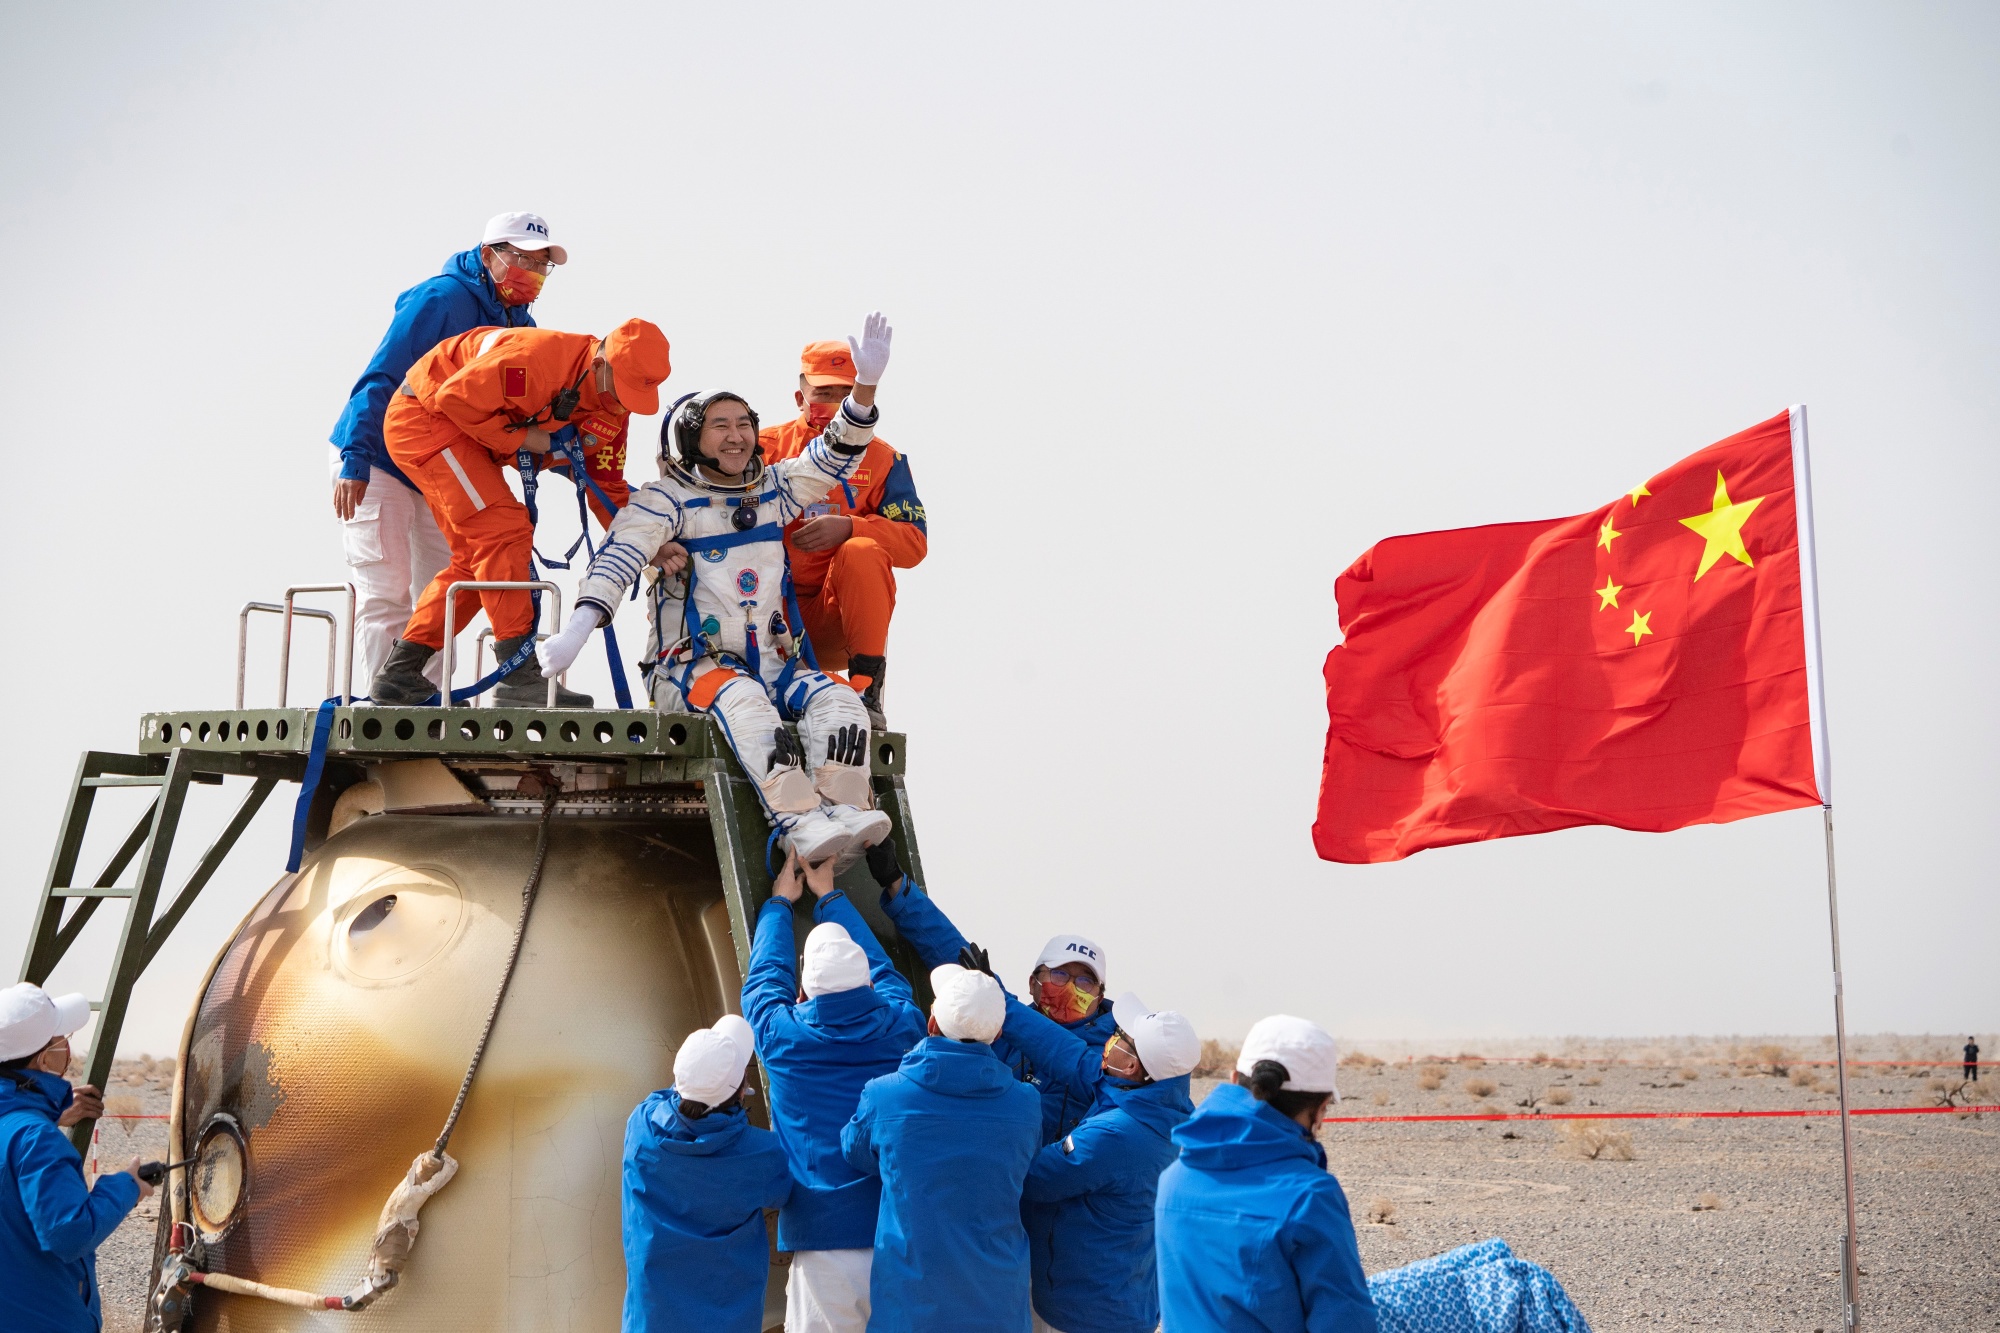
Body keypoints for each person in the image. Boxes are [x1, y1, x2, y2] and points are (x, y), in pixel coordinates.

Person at [538, 314, 896, 866]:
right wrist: (576, 634)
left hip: (776, 665)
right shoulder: (664, 501)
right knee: (749, 709)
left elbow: (834, 455)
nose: (737, 437)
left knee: (841, 702)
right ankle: (800, 822)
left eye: (743, 424)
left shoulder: (774, 487)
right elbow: (618, 561)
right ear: (689, 437)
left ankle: (844, 809)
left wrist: (866, 388)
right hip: (692, 671)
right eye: (720, 426)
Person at [366, 318, 672, 708]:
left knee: (477, 560)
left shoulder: (615, 406)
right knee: (503, 530)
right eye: (620, 392)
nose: (619, 406)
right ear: (599, 365)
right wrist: (523, 438)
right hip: (426, 418)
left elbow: (605, 485)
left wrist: (650, 545)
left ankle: (400, 674)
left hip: (465, 430)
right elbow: (453, 400)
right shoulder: (534, 361)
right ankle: (517, 672)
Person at [330, 212, 565, 691]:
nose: (533, 273)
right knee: (386, 592)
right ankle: (381, 710)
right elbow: (382, 375)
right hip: (378, 461)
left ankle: (428, 709)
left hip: (441, 469)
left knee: (451, 585)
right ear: (488, 255)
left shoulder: (521, 323)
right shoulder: (441, 299)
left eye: (542, 265)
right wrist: (355, 457)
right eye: (522, 259)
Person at [740, 851, 927, 1333]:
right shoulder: (903, 1025)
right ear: (865, 980)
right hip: (897, 1236)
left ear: (803, 993)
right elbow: (889, 975)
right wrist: (831, 896)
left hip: (822, 1244)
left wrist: (781, 902)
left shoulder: (784, 1039)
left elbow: (763, 981)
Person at [866, 844, 1117, 1143]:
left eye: (1085, 982)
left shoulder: (1112, 1060)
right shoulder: (999, 1021)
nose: (1071, 988)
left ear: (1100, 997)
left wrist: (996, 997)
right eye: (1060, 974)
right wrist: (895, 882)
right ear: (1032, 983)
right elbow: (952, 952)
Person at [841, 962, 1043, 1333]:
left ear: (931, 1024)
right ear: (997, 1032)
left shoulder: (884, 1095)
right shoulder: (1027, 1103)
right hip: (998, 1309)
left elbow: (854, 1151)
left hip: (911, 1310)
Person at [1155, 1015, 1377, 1333]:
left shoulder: (1174, 1178)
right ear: (1321, 1108)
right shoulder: (1311, 1195)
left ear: (1234, 1079)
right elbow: (1345, 1319)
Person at [998, 986, 1199, 1333]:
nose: (1111, 1039)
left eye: (1120, 1037)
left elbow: (1031, 1180)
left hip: (1084, 1313)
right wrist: (1003, 1003)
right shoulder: (1170, 1112)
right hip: (1128, 1297)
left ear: (1132, 1064)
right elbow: (1069, 1055)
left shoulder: (1115, 1135)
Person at [759, 340, 929, 728]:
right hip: (762, 613)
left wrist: (851, 526)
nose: (835, 402)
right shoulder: (762, 449)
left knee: (863, 549)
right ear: (800, 396)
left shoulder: (884, 459)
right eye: (824, 393)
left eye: (844, 392)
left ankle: (866, 690)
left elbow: (915, 545)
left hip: (829, 619)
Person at [621, 1014, 793, 1333]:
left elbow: (672, 1099)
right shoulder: (760, 1155)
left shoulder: (641, 1126)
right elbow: (788, 1186)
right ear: (743, 1091)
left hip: (650, 1322)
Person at [1, 983, 152, 1333]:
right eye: (61, 1038)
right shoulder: (36, 1139)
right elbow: (69, 1233)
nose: (68, 1047)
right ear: (44, 1059)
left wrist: (48, 1112)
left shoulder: (25, 1131)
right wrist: (125, 1187)